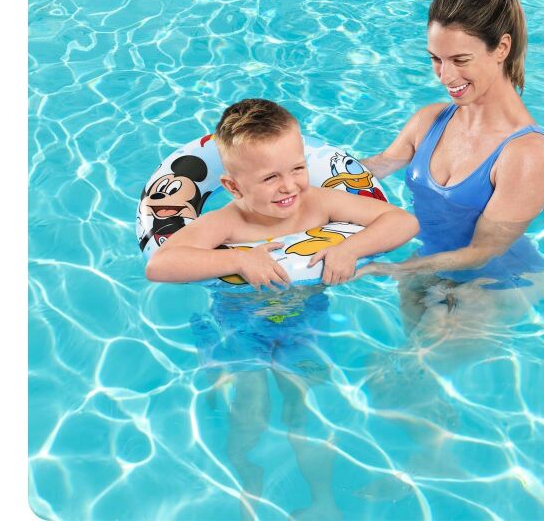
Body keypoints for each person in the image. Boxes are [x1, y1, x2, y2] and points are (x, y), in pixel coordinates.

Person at [146, 98, 419, 520]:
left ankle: (322, 499)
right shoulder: (227, 223)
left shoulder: (320, 203)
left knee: (306, 407)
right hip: (242, 323)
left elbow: (402, 221)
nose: (289, 186)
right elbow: (161, 265)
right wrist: (239, 259)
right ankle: (248, 478)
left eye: (297, 168)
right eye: (270, 177)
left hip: (306, 322)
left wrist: (350, 249)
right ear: (234, 187)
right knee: (251, 406)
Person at [353, 0, 544, 497]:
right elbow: (372, 170)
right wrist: (295, 178)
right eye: (436, 60)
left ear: (502, 48)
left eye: (460, 60)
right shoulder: (430, 120)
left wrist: (400, 267)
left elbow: (486, 250)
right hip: (430, 269)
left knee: (395, 373)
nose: (446, 76)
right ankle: (435, 456)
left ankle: (447, 469)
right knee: (406, 372)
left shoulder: (526, 152)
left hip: (496, 283)